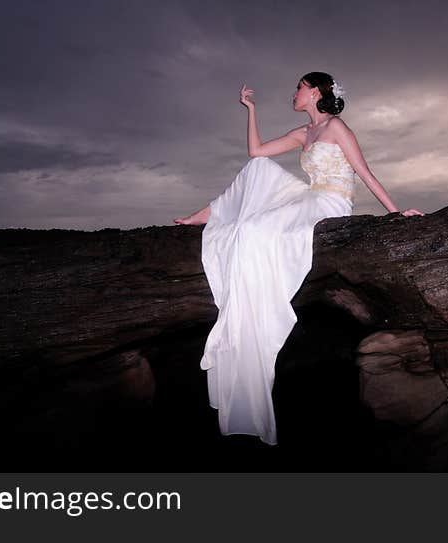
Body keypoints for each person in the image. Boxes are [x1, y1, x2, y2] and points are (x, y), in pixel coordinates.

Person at [174, 72, 424, 445]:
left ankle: (256, 304)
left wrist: (395, 212)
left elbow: (363, 172)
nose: (294, 93)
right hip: (308, 196)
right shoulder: (301, 133)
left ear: (315, 93)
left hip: (330, 202)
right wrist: (250, 110)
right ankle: (205, 216)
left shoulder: (337, 127)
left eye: (299, 88)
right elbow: (256, 152)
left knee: (256, 230)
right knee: (257, 173)